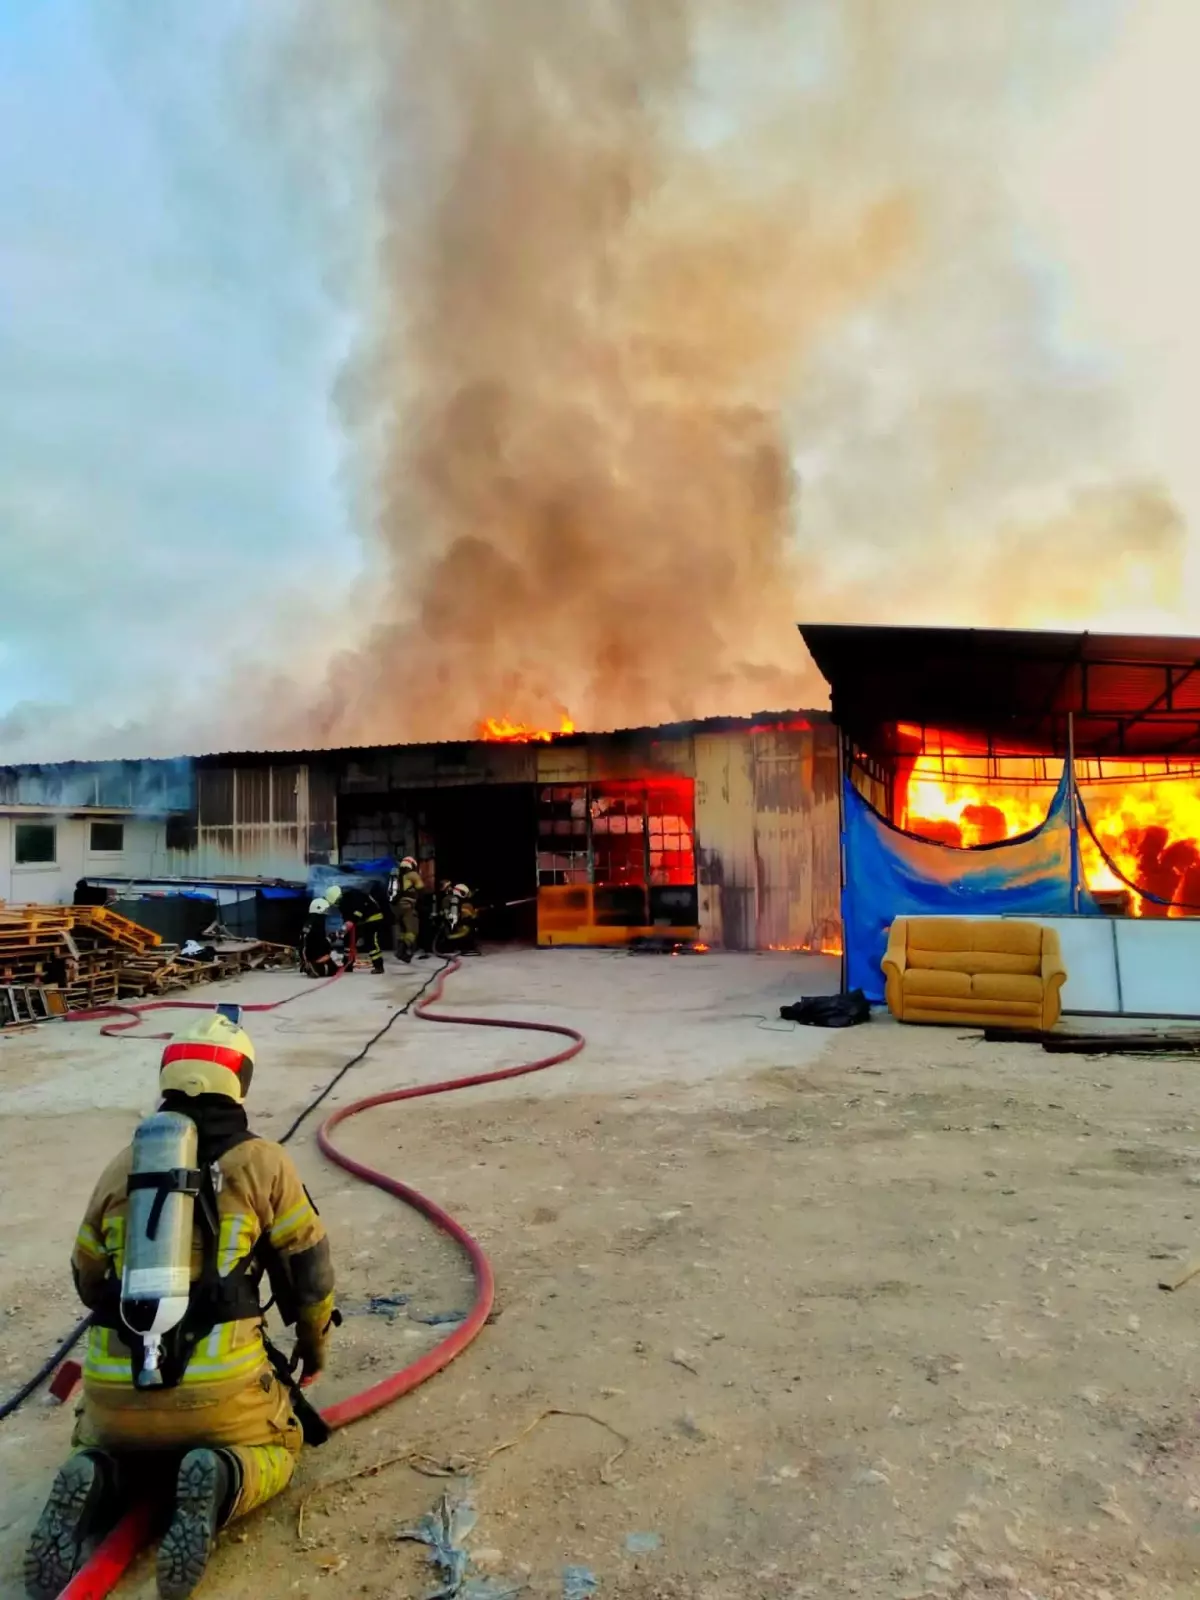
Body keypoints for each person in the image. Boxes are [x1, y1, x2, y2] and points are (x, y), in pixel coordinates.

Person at [24, 1011, 337, 1600]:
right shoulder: (263, 1162)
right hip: (220, 1390)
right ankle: (223, 1477)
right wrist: (313, 1346)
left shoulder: (123, 1167)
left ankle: (97, 1473)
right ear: (240, 1079)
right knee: (280, 1442)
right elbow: (309, 1277)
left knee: (106, 1443)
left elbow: (88, 1277)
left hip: (115, 1388)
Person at [324, 881, 386, 975]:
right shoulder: (343, 903)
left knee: (371, 942)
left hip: (373, 918)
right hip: (360, 921)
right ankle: (347, 965)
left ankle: (379, 966)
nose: (336, 905)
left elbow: (354, 917)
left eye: (336, 902)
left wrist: (338, 933)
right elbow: (347, 920)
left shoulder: (355, 896)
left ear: (339, 897)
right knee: (348, 940)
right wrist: (341, 933)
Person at [389, 856, 424, 965]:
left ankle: (403, 953)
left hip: (395, 907)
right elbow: (421, 888)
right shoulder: (412, 875)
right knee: (413, 930)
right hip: (406, 906)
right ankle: (401, 951)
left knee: (404, 930)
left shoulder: (398, 875)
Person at [298, 896, 337, 978]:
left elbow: (319, 940)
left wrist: (331, 938)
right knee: (332, 970)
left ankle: (313, 966)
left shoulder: (311, 922)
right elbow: (308, 941)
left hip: (314, 953)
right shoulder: (315, 923)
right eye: (325, 910)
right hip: (315, 955)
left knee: (333, 969)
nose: (326, 913)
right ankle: (314, 967)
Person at [438, 883, 481, 956]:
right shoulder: (453, 900)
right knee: (468, 928)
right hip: (449, 929)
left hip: (451, 927)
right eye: (464, 893)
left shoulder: (455, 900)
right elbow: (450, 917)